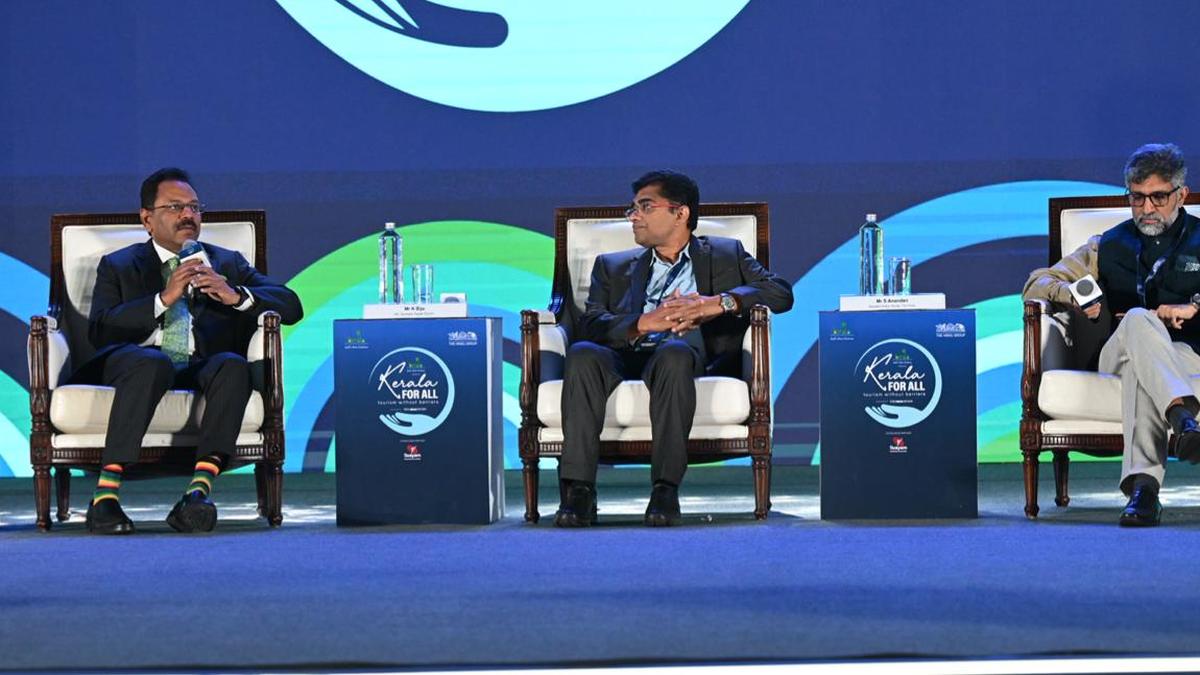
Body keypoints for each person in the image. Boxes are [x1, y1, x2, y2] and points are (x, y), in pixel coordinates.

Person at [555, 170, 794, 527]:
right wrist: (643, 322)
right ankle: (579, 491)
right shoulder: (612, 265)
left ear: (680, 213)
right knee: (583, 353)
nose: (633, 216)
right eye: (633, 208)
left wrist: (718, 303)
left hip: (683, 355)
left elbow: (780, 293)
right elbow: (589, 324)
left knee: (675, 354)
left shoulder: (725, 254)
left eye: (645, 207)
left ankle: (665, 489)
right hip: (623, 353)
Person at [71, 167, 304, 534]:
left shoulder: (226, 263)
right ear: (147, 219)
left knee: (233, 366)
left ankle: (196, 495)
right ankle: (105, 497)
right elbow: (101, 330)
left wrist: (235, 295)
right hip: (136, 363)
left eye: (194, 207)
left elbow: (291, 305)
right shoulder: (119, 264)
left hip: (198, 366)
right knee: (153, 363)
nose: (188, 215)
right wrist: (163, 300)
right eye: (175, 207)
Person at [1032, 143, 1200, 527]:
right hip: (1116, 356)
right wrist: (1076, 295)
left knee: (1145, 371)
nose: (1147, 208)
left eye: (1158, 197)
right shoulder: (1106, 244)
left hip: (1185, 354)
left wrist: (1195, 305)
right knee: (1138, 319)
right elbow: (1037, 283)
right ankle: (1182, 417)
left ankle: (1144, 490)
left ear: (1181, 195)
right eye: (1137, 198)